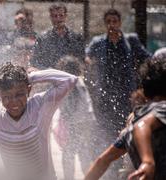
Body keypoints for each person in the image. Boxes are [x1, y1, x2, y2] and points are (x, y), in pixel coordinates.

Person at [0, 62, 78, 180]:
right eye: (7, 97)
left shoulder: (40, 105)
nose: (14, 101)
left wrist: (30, 77)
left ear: (28, 90)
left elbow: (69, 80)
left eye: (19, 94)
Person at [85, 10, 151, 177]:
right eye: (108, 21)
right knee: (108, 137)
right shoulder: (98, 42)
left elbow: (147, 58)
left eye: (114, 21)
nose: (111, 25)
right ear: (105, 23)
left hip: (126, 98)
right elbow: (85, 57)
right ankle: (111, 173)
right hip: (105, 100)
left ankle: (129, 171)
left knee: (127, 134)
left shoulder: (131, 40)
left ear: (120, 23)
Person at [84, 56, 166, 180]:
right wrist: (147, 162)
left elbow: (102, 161)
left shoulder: (131, 127)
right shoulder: (161, 108)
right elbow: (143, 125)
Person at [52, 55, 98, 180]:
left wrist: (65, 119)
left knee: (68, 153)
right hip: (87, 120)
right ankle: (90, 177)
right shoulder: (79, 80)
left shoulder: (69, 82)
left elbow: (70, 105)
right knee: (83, 152)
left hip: (76, 122)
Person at [30, 3, 84, 69]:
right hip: (50, 76)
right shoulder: (42, 38)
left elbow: (82, 59)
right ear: (50, 17)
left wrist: (70, 62)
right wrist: (49, 70)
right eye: (55, 16)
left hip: (70, 76)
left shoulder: (76, 37)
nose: (58, 19)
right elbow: (35, 61)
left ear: (66, 16)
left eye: (61, 15)